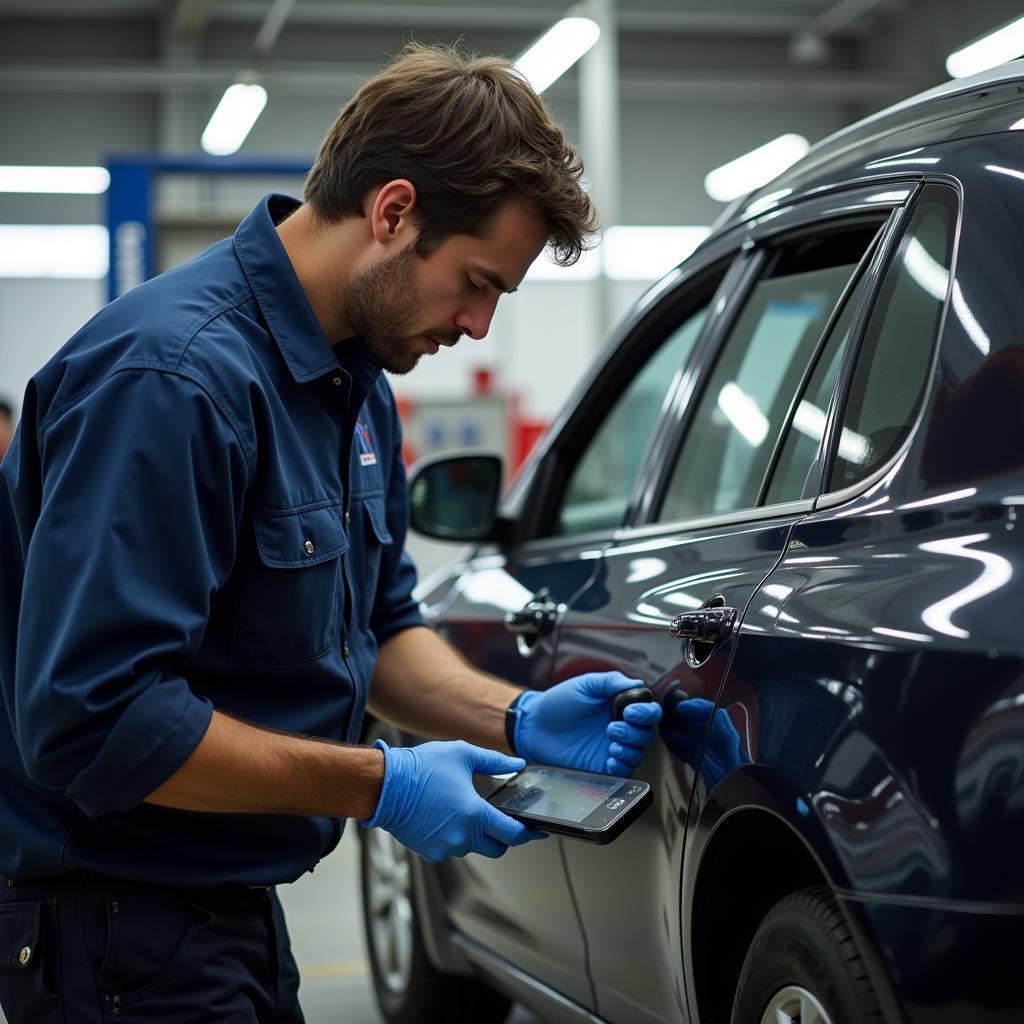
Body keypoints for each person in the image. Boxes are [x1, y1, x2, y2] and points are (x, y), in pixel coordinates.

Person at [0, 43, 662, 1023]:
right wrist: (380, 783)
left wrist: (513, 720)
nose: (478, 324)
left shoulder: (353, 386)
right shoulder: (174, 384)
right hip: (118, 941)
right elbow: (97, 722)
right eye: (476, 282)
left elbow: (381, 626)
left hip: (231, 917)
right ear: (393, 212)